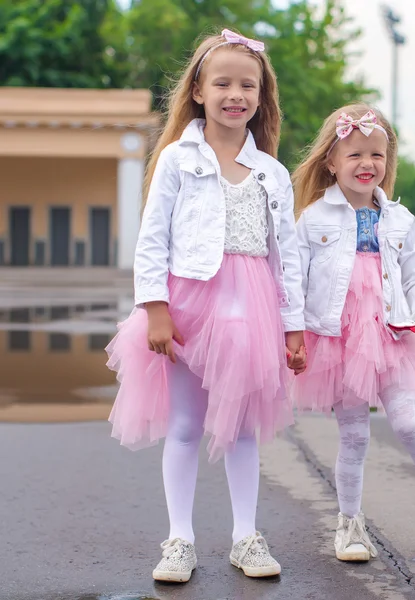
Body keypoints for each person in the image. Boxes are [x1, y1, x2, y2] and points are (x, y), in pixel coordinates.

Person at [106, 28, 306, 583]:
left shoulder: (272, 172)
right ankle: (180, 540)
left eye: (248, 85)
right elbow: (152, 238)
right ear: (198, 90)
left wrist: (294, 327)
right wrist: (156, 308)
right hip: (189, 304)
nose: (235, 94)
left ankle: (246, 536)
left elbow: (284, 254)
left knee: (243, 427)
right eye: (222, 83)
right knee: (188, 424)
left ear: (262, 98)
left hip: (252, 309)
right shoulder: (176, 158)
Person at [291, 104, 415, 563]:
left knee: (408, 422)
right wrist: (293, 333)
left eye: (377, 155)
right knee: (354, 436)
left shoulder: (399, 220)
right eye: (354, 155)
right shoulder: (312, 219)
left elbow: (414, 273)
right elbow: (294, 278)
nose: (367, 164)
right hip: (338, 339)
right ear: (330, 161)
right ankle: (349, 525)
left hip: (389, 335)